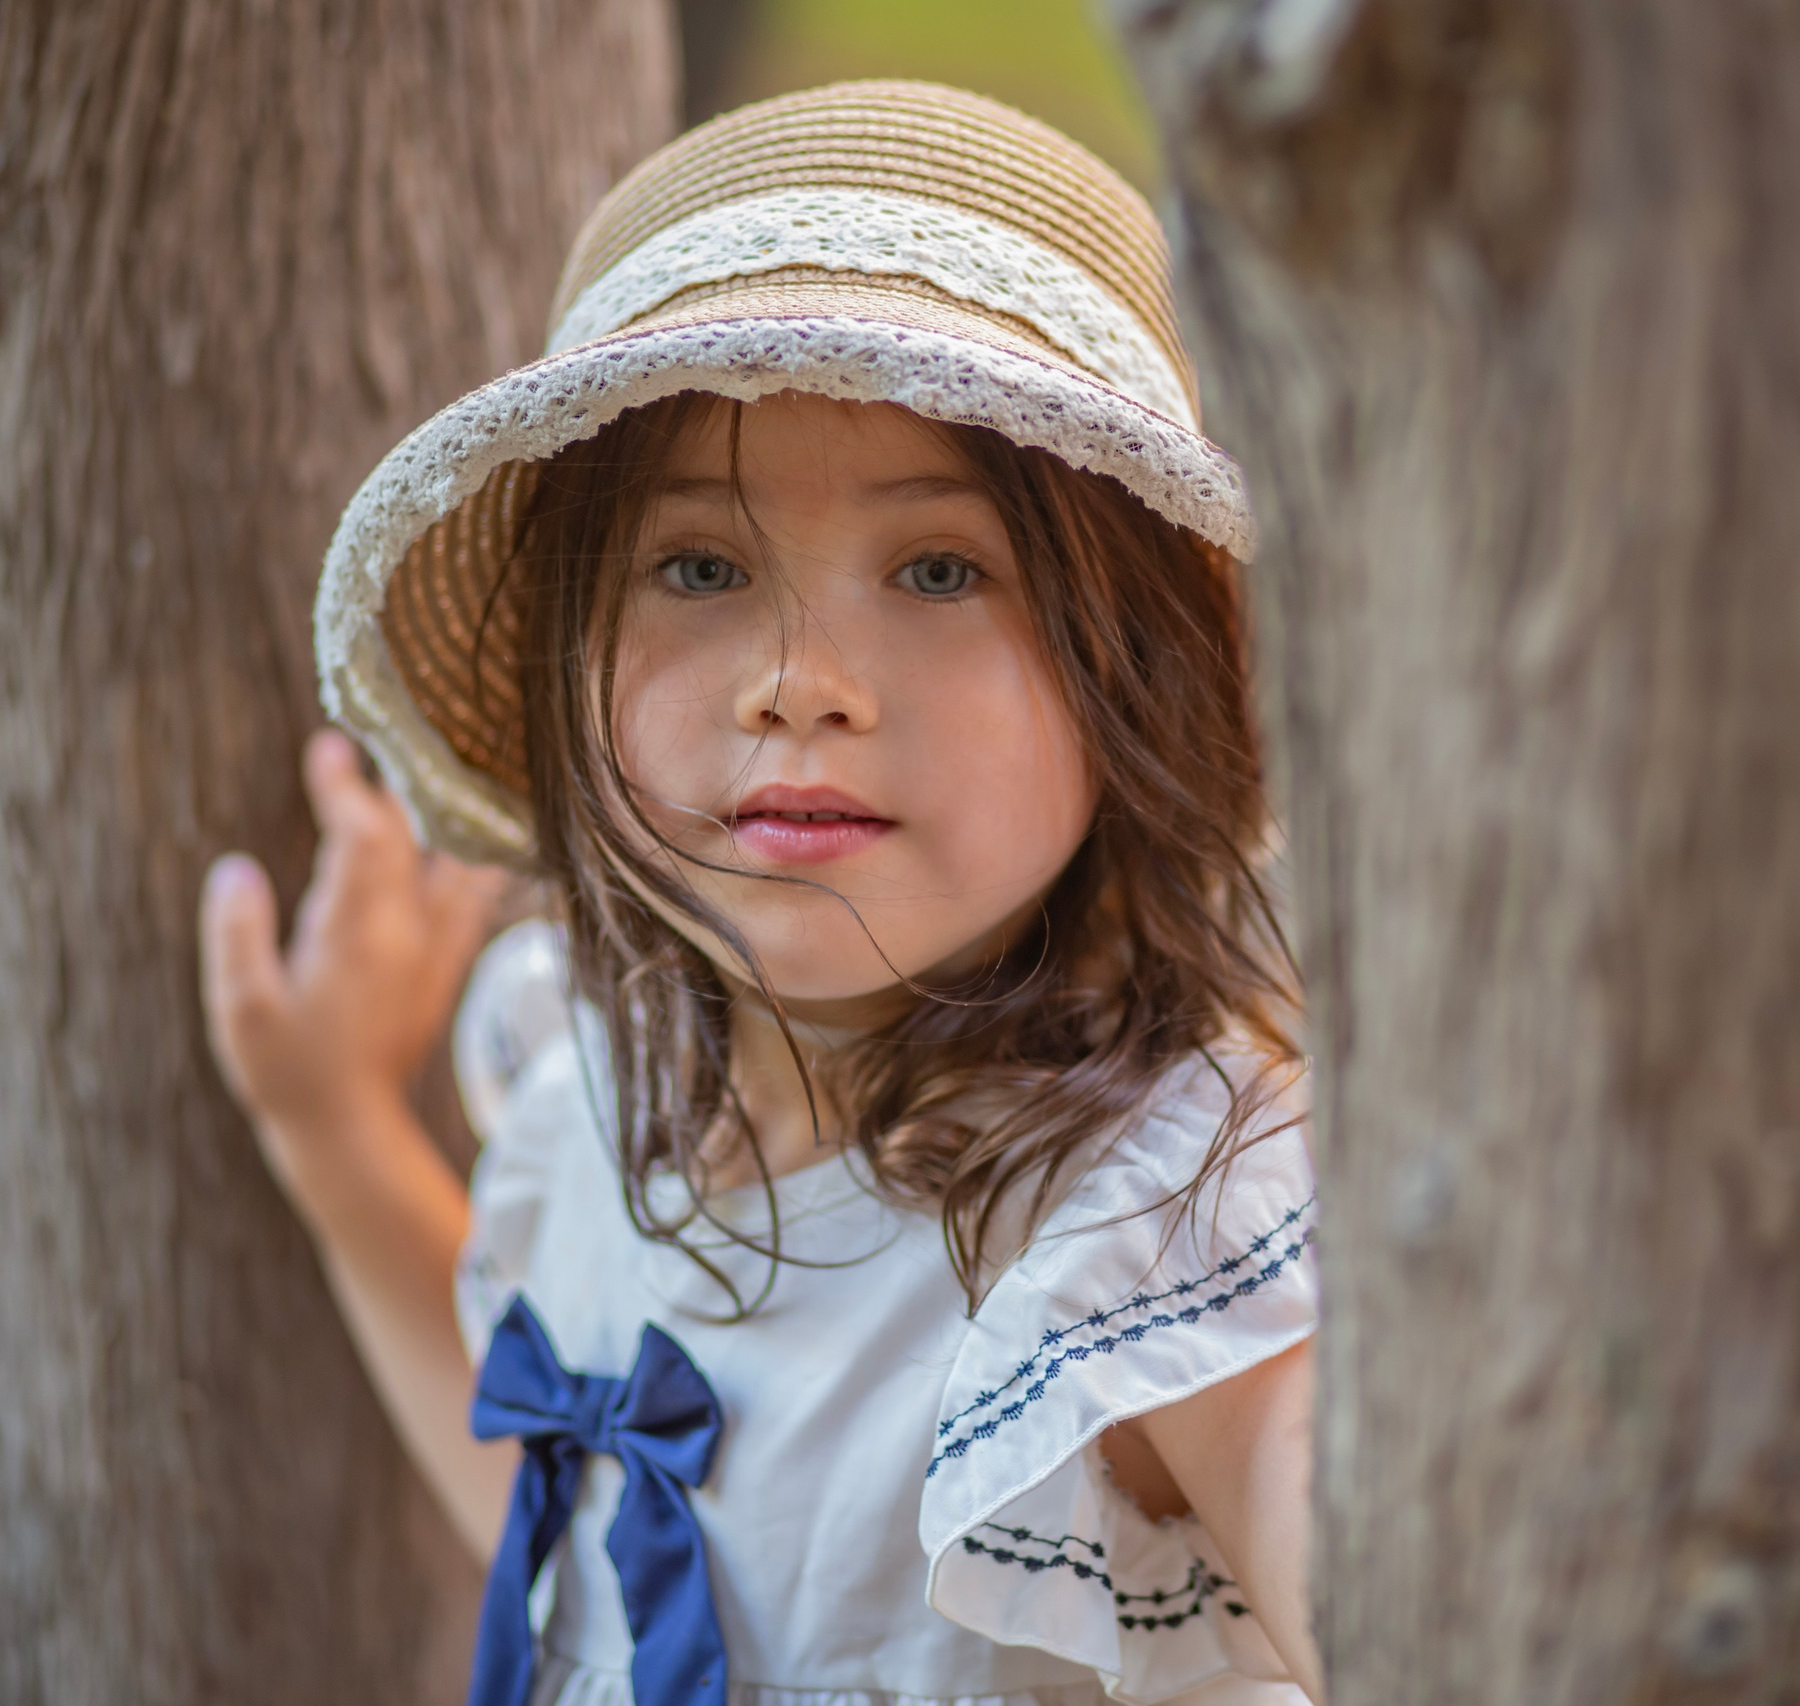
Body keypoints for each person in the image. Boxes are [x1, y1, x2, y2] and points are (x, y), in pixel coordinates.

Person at [197, 82, 1319, 1706]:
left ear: (1133, 679)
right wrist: (337, 1133)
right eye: (700, 569)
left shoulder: (1158, 1218)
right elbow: (591, 1538)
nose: (801, 683)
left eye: (940, 568)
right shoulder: (586, 1080)